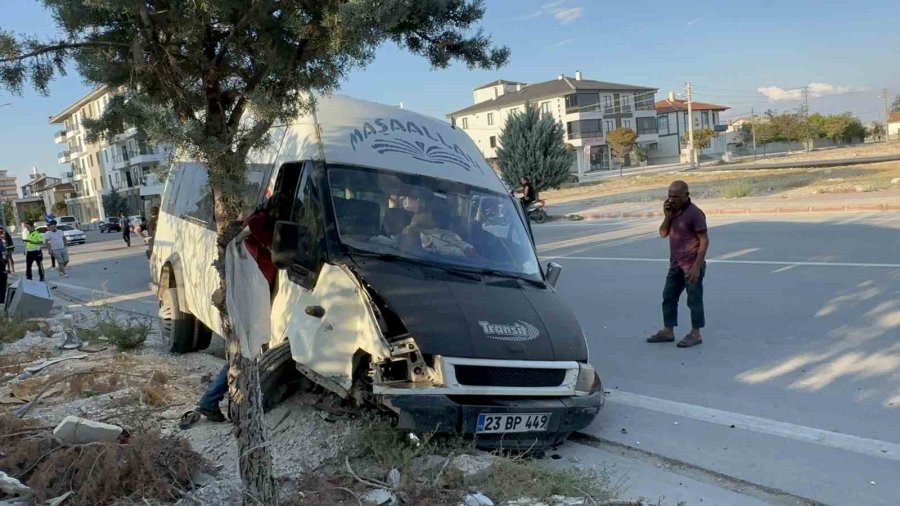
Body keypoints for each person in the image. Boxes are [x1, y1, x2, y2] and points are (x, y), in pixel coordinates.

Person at [184, 196, 284, 426]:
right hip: (249, 297)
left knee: (244, 351)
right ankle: (211, 401)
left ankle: (212, 401)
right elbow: (268, 240)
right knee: (242, 352)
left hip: (252, 294)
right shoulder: (259, 222)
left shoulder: (261, 223)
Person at [647, 181, 709, 348]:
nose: (672, 200)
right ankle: (668, 331)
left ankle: (696, 334)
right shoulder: (672, 212)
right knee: (668, 297)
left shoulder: (695, 214)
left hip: (691, 265)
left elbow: (704, 241)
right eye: (669, 196)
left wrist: (697, 266)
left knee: (694, 300)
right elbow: (663, 233)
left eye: (676, 196)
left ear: (686, 195)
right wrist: (667, 216)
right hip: (675, 265)